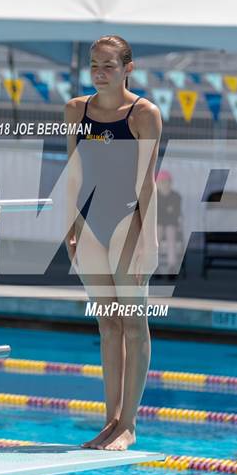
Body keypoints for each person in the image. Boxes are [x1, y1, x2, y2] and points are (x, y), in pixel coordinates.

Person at [64, 35, 162, 451]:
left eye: (108, 65)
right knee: (107, 323)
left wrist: (150, 241)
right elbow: (73, 172)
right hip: (89, 222)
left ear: (128, 68)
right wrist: (69, 223)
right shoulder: (75, 110)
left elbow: (147, 183)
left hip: (127, 222)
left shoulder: (143, 114)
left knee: (133, 324)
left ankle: (129, 424)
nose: (100, 73)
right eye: (94, 65)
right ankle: (110, 421)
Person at [156, 170, 182, 275]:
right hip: (158, 222)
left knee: (171, 235)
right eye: (161, 182)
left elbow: (176, 213)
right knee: (156, 238)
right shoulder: (154, 196)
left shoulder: (176, 196)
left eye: (166, 182)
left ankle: (172, 264)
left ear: (171, 183)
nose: (164, 185)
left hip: (171, 222)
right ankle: (154, 265)